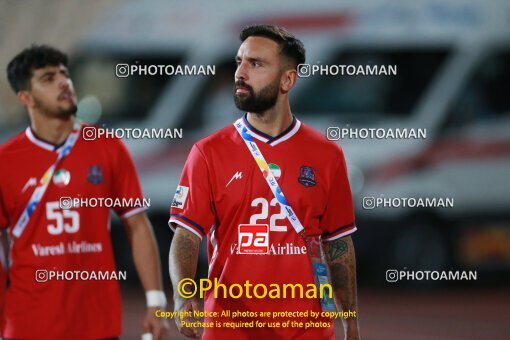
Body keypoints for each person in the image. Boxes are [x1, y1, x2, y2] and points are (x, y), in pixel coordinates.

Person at [169, 25, 360, 339]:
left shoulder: (327, 155)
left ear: (287, 80)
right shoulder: (207, 152)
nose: (240, 72)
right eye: (239, 61)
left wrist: (351, 324)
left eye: (255, 64)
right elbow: (187, 235)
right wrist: (182, 296)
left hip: (307, 331)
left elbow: (338, 243)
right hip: (230, 329)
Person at [1, 45, 169, 339]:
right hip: (28, 323)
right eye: (48, 78)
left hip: (97, 322)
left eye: (65, 74)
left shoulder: (107, 145)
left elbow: (138, 225)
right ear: (26, 97)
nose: (63, 82)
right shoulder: (6, 160)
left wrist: (156, 301)